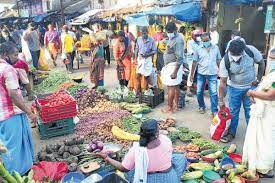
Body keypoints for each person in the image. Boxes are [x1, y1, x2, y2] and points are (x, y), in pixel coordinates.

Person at [96, 119, 187, 183]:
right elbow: (168, 152)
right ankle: (176, 177)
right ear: (156, 133)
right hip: (169, 177)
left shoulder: (137, 149)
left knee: (131, 172)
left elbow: (123, 168)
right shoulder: (166, 140)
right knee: (181, 159)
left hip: (148, 179)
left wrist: (107, 158)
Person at [0, 42, 36, 175]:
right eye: (15, 55)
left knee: (6, 146)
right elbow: (14, 94)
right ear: (5, 54)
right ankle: (18, 175)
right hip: (11, 115)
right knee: (15, 148)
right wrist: (29, 112)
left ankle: (11, 173)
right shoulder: (7, 68)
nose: (17, 58)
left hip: (1, 116)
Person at [219, 39, 265, 143]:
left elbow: (261, 63)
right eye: (233, 54)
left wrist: (258, 79)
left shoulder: (251, 51)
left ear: (243, 50)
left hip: (251, 88)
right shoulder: (225, 60)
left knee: (251, 112)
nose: (236, 56)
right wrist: (220, 100)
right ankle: (231, 133)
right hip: (234, 88)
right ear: (229, 51)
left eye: (238, 54)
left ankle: (252, 136)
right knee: (233, 112)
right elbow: (222, 82)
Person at [242, 64, 275, 178]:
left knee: (265, 139)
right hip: (264, 111)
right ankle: (258, 164)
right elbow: (264, 88)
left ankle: (266, 168)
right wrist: (255, 93)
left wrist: (252, 93)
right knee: (260, 138)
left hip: (269, 113)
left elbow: (271, 95)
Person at [190, 32, 221, 116]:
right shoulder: (198, 48)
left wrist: (220, 71)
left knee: (213, 92)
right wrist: (192, 74)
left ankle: (214, 110)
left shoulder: (216, 48)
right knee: (199, 91)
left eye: (207, 40)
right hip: (201, 73)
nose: (205, 42)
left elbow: (218, 60)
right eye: (204, 40)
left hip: (213, 73)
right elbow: (194, 62)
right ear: (202, 41)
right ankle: (201, 106)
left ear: (210, 39)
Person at [160, 22, 184, 113]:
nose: (168, 33)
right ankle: (176, 106)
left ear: (175, 30)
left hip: (174, 66)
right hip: (171, 65)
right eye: (167, 31)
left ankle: (170, 107)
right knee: (176, 86)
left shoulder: (178, 40)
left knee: (171, 87)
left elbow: (180, 57)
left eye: (170, 31)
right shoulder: (172, 37)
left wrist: (174, 72)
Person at [134, 27, 157, 94]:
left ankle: (148, 91)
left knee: (147, 76)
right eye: (142, 33)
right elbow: (136, 49)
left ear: (147, 32)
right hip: (140, 59)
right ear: (141, 33)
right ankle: (138, 92)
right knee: (138, 76)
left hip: (148, 59)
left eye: (145, 33)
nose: (143, 34)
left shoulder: (151, 40)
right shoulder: (138, 39)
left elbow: (154, 51)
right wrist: (135, 59)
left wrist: (147, 54)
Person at [186, 29, 203, 97]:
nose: (198, 36)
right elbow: (190, 51)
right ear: (193, 36)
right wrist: (197, 54)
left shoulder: (201, 42)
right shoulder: (190, 42)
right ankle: (188, 89)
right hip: (191, 60)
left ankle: (198, 88)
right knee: (191, 72)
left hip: (200, 60)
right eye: (197, 35)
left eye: (199, 35)